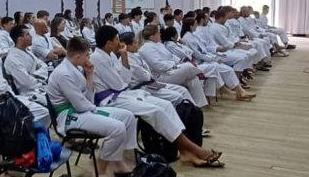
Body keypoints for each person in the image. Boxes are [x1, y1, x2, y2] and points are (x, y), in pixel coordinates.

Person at [90, 26, 224, 167]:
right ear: (108, 43)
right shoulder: (98, 59)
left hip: (125, 93)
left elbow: (125, 80)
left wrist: (124, 57)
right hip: (111, 99)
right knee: (157, 111)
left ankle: (184, 151)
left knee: (166, 105)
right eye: (117, 39)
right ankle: (191, 149)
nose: (119, 43)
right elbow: (119, 84)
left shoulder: (111, 55)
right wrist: (124, 64)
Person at [47, 37, 137, 177]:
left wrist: (90, 75)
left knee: (128, 116)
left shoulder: (75, 68)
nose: (89, 57)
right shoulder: (63, 74)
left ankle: (117, 161)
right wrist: (95, 110)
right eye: (87, 54)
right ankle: (101, 173)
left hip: (82, 110)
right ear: (78, 56)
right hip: (69, 117)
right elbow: (81, 105)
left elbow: (87, 100)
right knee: (117, 128)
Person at [163, 26, 254, 101]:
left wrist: (212, 57)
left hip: (201, 59)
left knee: (226, 69)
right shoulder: (172, 45)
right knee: (214, 67)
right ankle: (229, 90)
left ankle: (238, 91)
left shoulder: (182, 41)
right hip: (194, 63)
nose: (178, 35)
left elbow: (191, 51)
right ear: (172, 37)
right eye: (176, 34)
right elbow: (190, 54)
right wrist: (212, 58)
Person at [119, 31, 200, 107]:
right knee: (177, 96)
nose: (137, 44)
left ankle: (194, 111)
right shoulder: (128, 59)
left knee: (183, 89)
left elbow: (147, 71)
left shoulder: (136, 54)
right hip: (143, 86)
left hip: (153, 80)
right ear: (128, 46)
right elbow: (145, 76)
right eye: (135, 43)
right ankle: (186, 113)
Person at [135, 25, 208, 106]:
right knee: (188, 66)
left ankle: (198, 106)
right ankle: (199, 72)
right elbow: (159, 66)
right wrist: (173, 63)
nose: (160, 34)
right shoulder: (146, 48)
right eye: (158, 33)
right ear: (152, 36)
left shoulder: (159, 44)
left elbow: (173, 57)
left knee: (193, 79)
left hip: (171, 70)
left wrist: (174, 63)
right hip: (161, 76)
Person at [3, 24, 49, 97]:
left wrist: (33, 75)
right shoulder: (12, 59)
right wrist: (41, 79)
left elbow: (44, 66)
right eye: (28, 34)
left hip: (41, 86)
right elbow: (27, 82)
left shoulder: (28, 51)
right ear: (20, 39)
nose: (31, 36)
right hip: (28, 94)